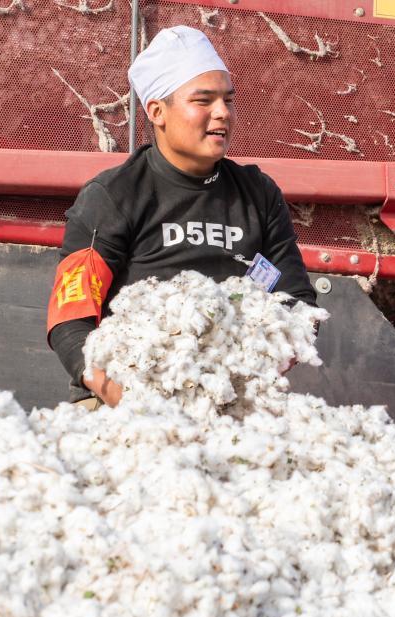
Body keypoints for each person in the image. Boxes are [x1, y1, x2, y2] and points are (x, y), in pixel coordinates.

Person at [47, 25, 317, 410]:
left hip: (230, 399)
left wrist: (249, 371)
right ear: (157, 111)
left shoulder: (259, 195)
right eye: (203, 101)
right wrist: (130, 399)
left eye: (228, 99)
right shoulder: (113, 196)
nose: (222, 112)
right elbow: (71, 317)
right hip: (124, 399)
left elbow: (297, 304)